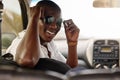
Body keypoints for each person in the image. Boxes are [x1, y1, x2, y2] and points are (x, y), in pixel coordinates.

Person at [6, 0, 80, 73]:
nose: (54, 26)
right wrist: (34, 17)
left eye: (58, 22)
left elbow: (69, 70)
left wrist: (72, 44)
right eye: (49, 19)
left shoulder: (49, 45)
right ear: (34, 19)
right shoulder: (21, 42)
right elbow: (27, 60)